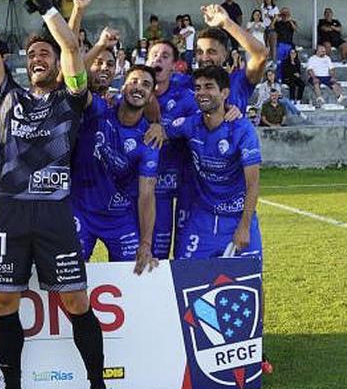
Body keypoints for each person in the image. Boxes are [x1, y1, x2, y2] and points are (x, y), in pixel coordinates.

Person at [0, 0, 117, 389]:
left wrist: (42, 4)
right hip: (10, 212)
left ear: (56, 63)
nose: (38, 59)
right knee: (3, 303)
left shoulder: (73, 99)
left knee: (76, 303)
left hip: (55, 213)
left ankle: (98, 387)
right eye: (32, 55)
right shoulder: (6, 97)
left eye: (44, 54)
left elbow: (72, 48)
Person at [163, 66, 263, 264]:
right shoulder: (190, 125)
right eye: (198, 88)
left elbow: (253, 184)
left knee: (250, 284)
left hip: (237, 217)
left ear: (225, 93)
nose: (201, 92)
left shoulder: (242, 130)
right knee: (186, 278)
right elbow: (160, 133)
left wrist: (244, 226)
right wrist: (157, 128)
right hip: (203, 218)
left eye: (209, 87)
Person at [72, 64, 159, 266]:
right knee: (69, 274)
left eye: (146, 85)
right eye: (133, 82)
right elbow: (76, 85)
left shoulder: (149, 139)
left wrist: (146, 243)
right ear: (122, 87)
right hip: (81, 211)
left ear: (151, 95)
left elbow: (146, 194)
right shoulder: (98, 111)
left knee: (134, 275)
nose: (139, 87)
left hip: (119, 218)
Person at [145, 39, 198, 259]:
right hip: (150, 183)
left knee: (183, 250)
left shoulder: (184, 96)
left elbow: (201, 120)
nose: (158, 58)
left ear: (174, 65)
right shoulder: (134, 92)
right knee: (156, 249)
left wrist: (169, 131)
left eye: (165, 56)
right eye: (154, 55)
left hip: (183, 178)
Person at [273, 7, 297, 77]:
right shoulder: (278, 23)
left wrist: (290, 21)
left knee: (289, 62)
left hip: (289, 44)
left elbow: (296, 29)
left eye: (287, 13)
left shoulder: (292, 22)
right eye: (283, 13)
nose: (285, 15)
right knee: (279, 63)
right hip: (280, 44)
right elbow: (271, 27)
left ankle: (287, 78)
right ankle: (279, 78)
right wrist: (275, 18)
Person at [260, 0, 279, 65]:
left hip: (271, 28)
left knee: (272, 46)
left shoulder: (275, 8)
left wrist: (272, 24)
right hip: (264, 28)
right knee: (264, 45)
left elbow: (276, 17)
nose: (267, 0)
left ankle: (273, 62)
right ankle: (265, 61)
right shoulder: (263, 6)